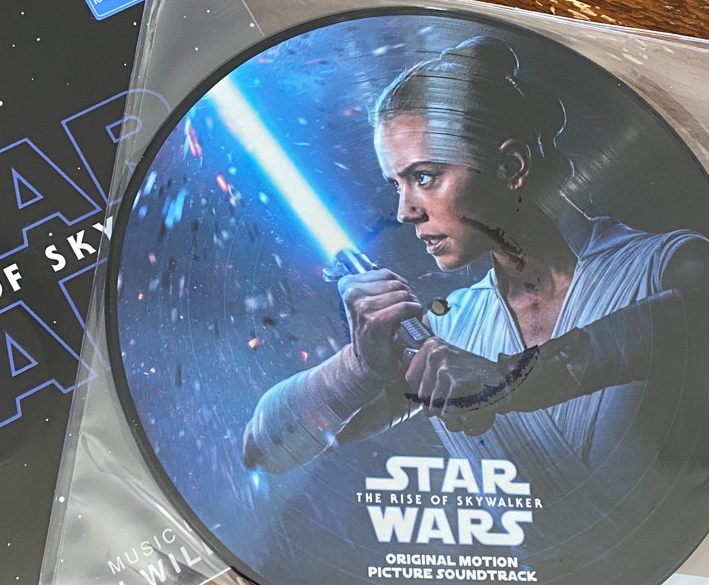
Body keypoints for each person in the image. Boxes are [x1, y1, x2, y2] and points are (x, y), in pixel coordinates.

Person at [242, 36, 709, 477]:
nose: (404, 212)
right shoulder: (448, 333)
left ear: (510, 167)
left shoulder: (665, 266)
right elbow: (265, 452)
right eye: (396, 184)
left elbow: (692, 324)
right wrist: (358, 368)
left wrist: (508, 381)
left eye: (424, 177)